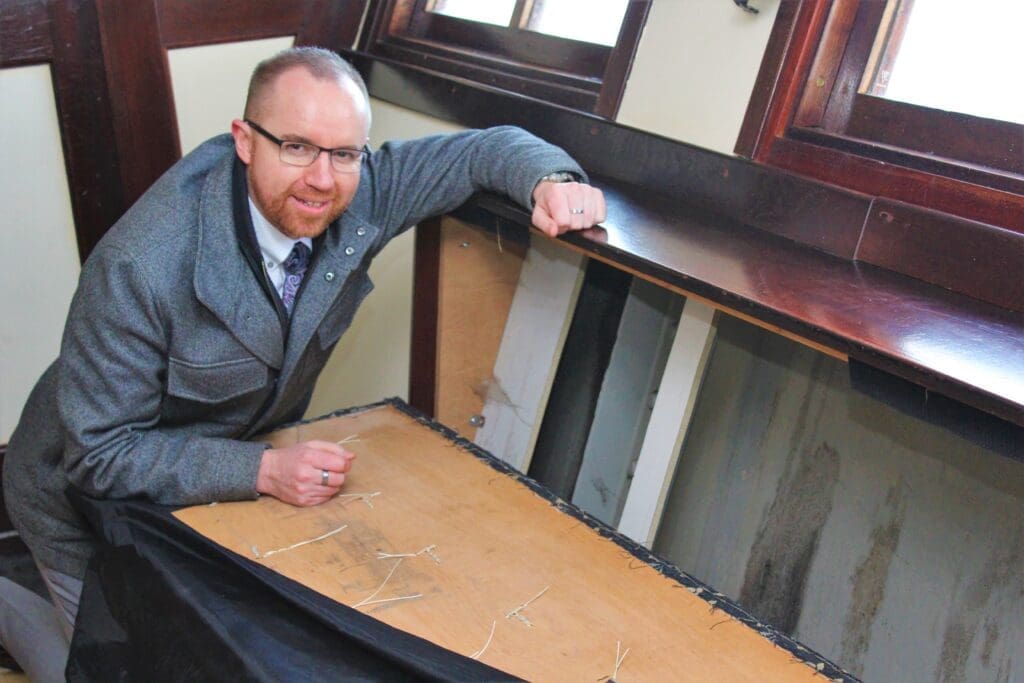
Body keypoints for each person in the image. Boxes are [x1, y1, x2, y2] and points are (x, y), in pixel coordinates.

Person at [0, 47, 605, 677]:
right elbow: (100, 453)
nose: (322, 178)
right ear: (244, 140)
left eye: (344, 153)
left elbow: (485, 149)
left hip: (206, 478)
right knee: (110, 660)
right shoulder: (140, 263)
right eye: (296, 147)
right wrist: (261, 470)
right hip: (74, 486)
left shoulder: (358, 189)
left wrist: (553, 184)